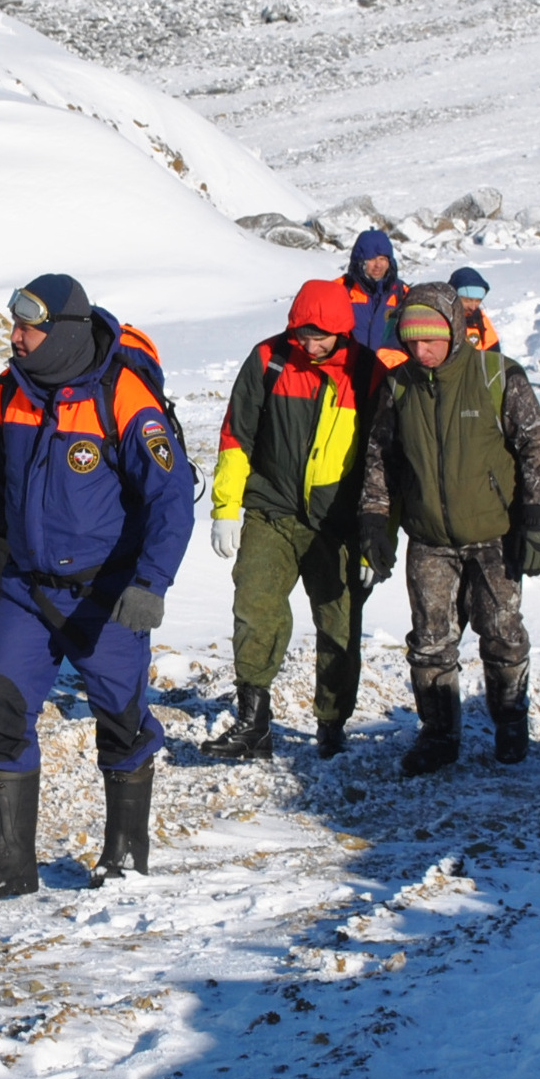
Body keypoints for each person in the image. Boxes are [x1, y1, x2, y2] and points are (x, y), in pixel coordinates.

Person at [0, 274, 193, 897]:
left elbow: (170, 498)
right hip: (28, 593)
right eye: (14, 325)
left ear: (61, 332)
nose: (15, 338)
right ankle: (11, 865)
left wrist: (151, 583)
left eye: (27, 327)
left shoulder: (123, 396)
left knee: (121, 721)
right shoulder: (6, 395)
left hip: (106, 596)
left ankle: (124, 859)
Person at [359, 273, 540, 772]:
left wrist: (535, 517)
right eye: (411, 341)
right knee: (430, 643)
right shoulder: (400, 387)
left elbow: (538, 442)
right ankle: (439, 735)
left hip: (494, 535)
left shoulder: (497, 376)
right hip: (429, 539)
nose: (420, 350)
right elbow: (381, 457)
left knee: (503, 635)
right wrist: (374, 520)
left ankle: (511, 722)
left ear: (452, 329)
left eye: (429, 339)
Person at [206, 278, 389, 763]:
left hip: (339, 523)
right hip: (272, 511)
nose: (309, 345)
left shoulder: (367, 373)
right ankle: (253, 723)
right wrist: (226, 507)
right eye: (302, 334)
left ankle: (332, 724)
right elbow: (235, 436)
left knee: (340, 626)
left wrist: (377, 536)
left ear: (341, 330)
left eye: (319, 336)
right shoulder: (268, 360)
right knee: (255, 606)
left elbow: (381, 460)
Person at [343, 228, 408, 358]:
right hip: (350, 370)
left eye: (382, 259)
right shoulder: (342, 290)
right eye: (371, 259)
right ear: (360, 261)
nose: (378, 265)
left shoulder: (402, 294)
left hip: (389, 371)